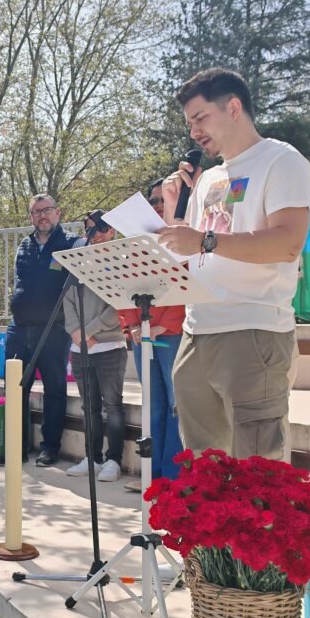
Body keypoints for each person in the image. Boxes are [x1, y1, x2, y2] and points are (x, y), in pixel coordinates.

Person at [159, 68, 310, 460]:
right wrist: (173, 219)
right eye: (189, 123)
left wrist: (203, 240)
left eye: (200, 118)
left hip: (253, 329)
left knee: (258, 471)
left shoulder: (281, 161)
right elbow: (193, 253)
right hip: (196, 334)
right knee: (203, 472)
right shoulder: (208, 179)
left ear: (232, 108)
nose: (194, 131)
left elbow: (287, 243)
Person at [119, 180, 186, 483]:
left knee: (175, 404)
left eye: (163, 200)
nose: (158, 205)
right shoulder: (136, 245)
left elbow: (185, 287)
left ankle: (173, 476)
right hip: (142, 335)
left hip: (170, 334)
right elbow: (125, 290)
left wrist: (164, 325)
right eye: (153, 201)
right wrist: (132, 326)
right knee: (154, 405)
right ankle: (153, 475)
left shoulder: (183, 238)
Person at [2, 193, 76, 467]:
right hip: (19, 329)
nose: (42, 216)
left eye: (47, 210)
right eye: (37, 212)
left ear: (58, 213)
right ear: (31, 217)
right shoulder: (25, 244)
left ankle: (49, 448)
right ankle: (16, 448)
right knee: (15, 388)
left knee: (54, 389)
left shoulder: (70, 244)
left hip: (53, 329)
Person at [62, 211, 126, 482]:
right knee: (88, 408)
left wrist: (90, 330)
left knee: (113, 406)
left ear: (112, 230)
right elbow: (67, 300)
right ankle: (93, 458)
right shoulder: (79, 264)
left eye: (102, 227)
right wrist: (76, 332)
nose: (96, 233)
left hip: (109, 346)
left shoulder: (124, 262)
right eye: (90, 229)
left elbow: (120, 304)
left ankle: (114, 460)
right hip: (81, 348)